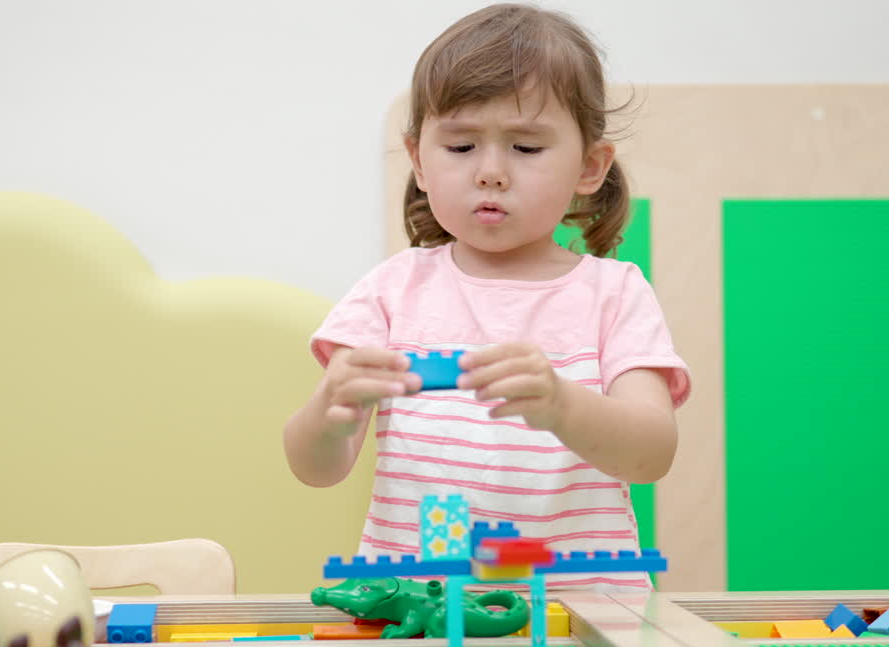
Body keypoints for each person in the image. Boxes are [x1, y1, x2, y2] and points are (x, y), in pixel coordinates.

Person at [283, 3, 690, 591]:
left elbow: (651, 455)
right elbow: (316, 469)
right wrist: (330, 411)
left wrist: (560, 405)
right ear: (419, 159)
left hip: (585, 618)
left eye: (526, 148)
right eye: (461, 147)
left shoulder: (615, 293)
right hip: (416, 613)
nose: (491, 172)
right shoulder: (390, 292)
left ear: (591, 166)